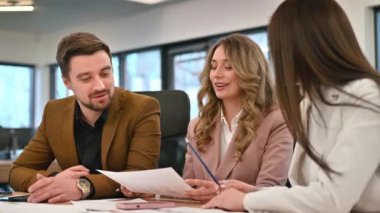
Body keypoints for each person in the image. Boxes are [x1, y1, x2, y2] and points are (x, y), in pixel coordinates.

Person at [204, 0, 380, 212]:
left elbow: (332, 199)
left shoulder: (367, 98)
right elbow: (306, 192)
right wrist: (254, 193)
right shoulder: (310, 103)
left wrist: (246, 201)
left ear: (302, 48)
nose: (278, 59)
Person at [9, 32, 161, 203]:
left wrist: (82, 185)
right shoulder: (54, 111)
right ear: (67, 82)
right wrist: (56, 180)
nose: (100, 86)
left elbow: (139, 176)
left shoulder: (142, 107)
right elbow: (19, 170)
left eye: (105, 73)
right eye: (86, 78)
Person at [182, 33, 294, 202]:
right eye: (213, 67)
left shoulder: (276, 121)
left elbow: (270, 192)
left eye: (228, 67)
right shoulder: (197, 125)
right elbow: (188, 187)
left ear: (249, 71)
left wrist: (221, 193)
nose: (217, 75)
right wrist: (155, 192)